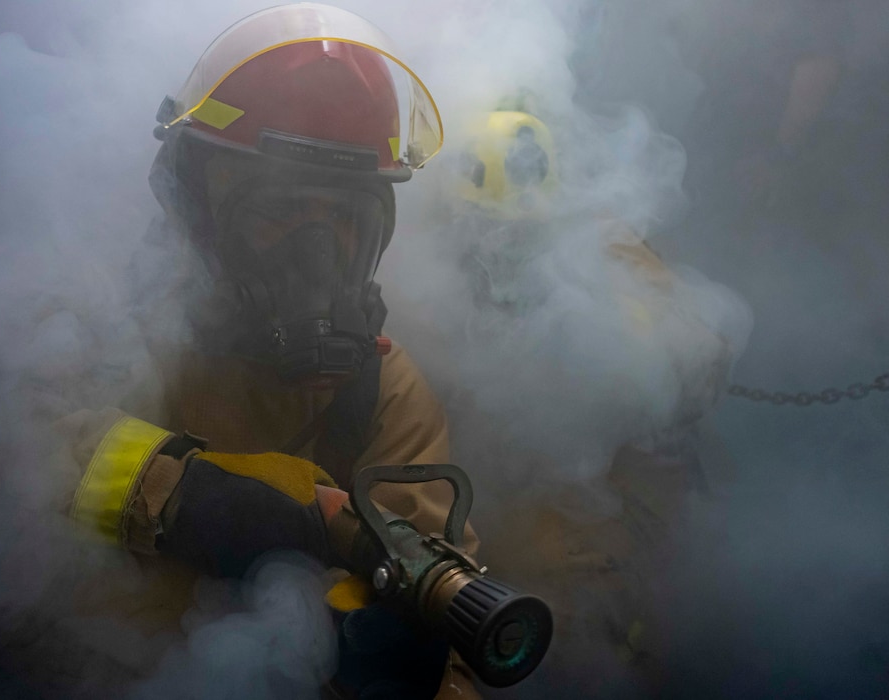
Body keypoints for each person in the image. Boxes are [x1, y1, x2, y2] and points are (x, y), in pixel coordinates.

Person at [54, 5, 477, 698]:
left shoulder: (384, 392)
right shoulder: (105, 323)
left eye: (342, 218)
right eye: (277, 210)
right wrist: (187, 496)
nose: (311, 256)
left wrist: (406, 676)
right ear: (197, 206)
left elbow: (457, 654)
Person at [422, 104, 740, 695]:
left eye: (517, 237)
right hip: (518, 538)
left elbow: (696, 368)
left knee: (597, 615)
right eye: (482, 235)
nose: (498, 257)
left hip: (614, 535)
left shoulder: (611, 271)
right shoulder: (426, 301)